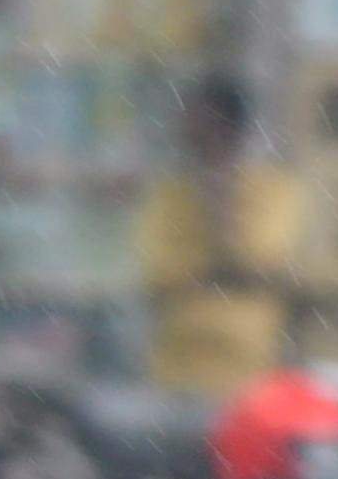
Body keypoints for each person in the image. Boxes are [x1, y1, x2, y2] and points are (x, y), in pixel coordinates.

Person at [135, 77, 316, 399]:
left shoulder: (274, 190)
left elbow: (261, 259)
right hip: (177, 366)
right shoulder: (171, 194)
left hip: (246, 367)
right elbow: (156, 275)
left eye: (209, 130)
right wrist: (220, 272)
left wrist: (222, 208)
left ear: (233, 130)